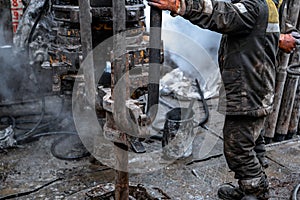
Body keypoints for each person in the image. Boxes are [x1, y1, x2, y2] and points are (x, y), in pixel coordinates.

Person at [147, 0, 296, 199]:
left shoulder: (252, 6)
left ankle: (256, 191)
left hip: (248, 92)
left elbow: (220, 14)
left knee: (237, 148)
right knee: (253, 140)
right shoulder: (269, 5)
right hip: (258, 89)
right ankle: (252, 183)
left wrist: (178, 5)